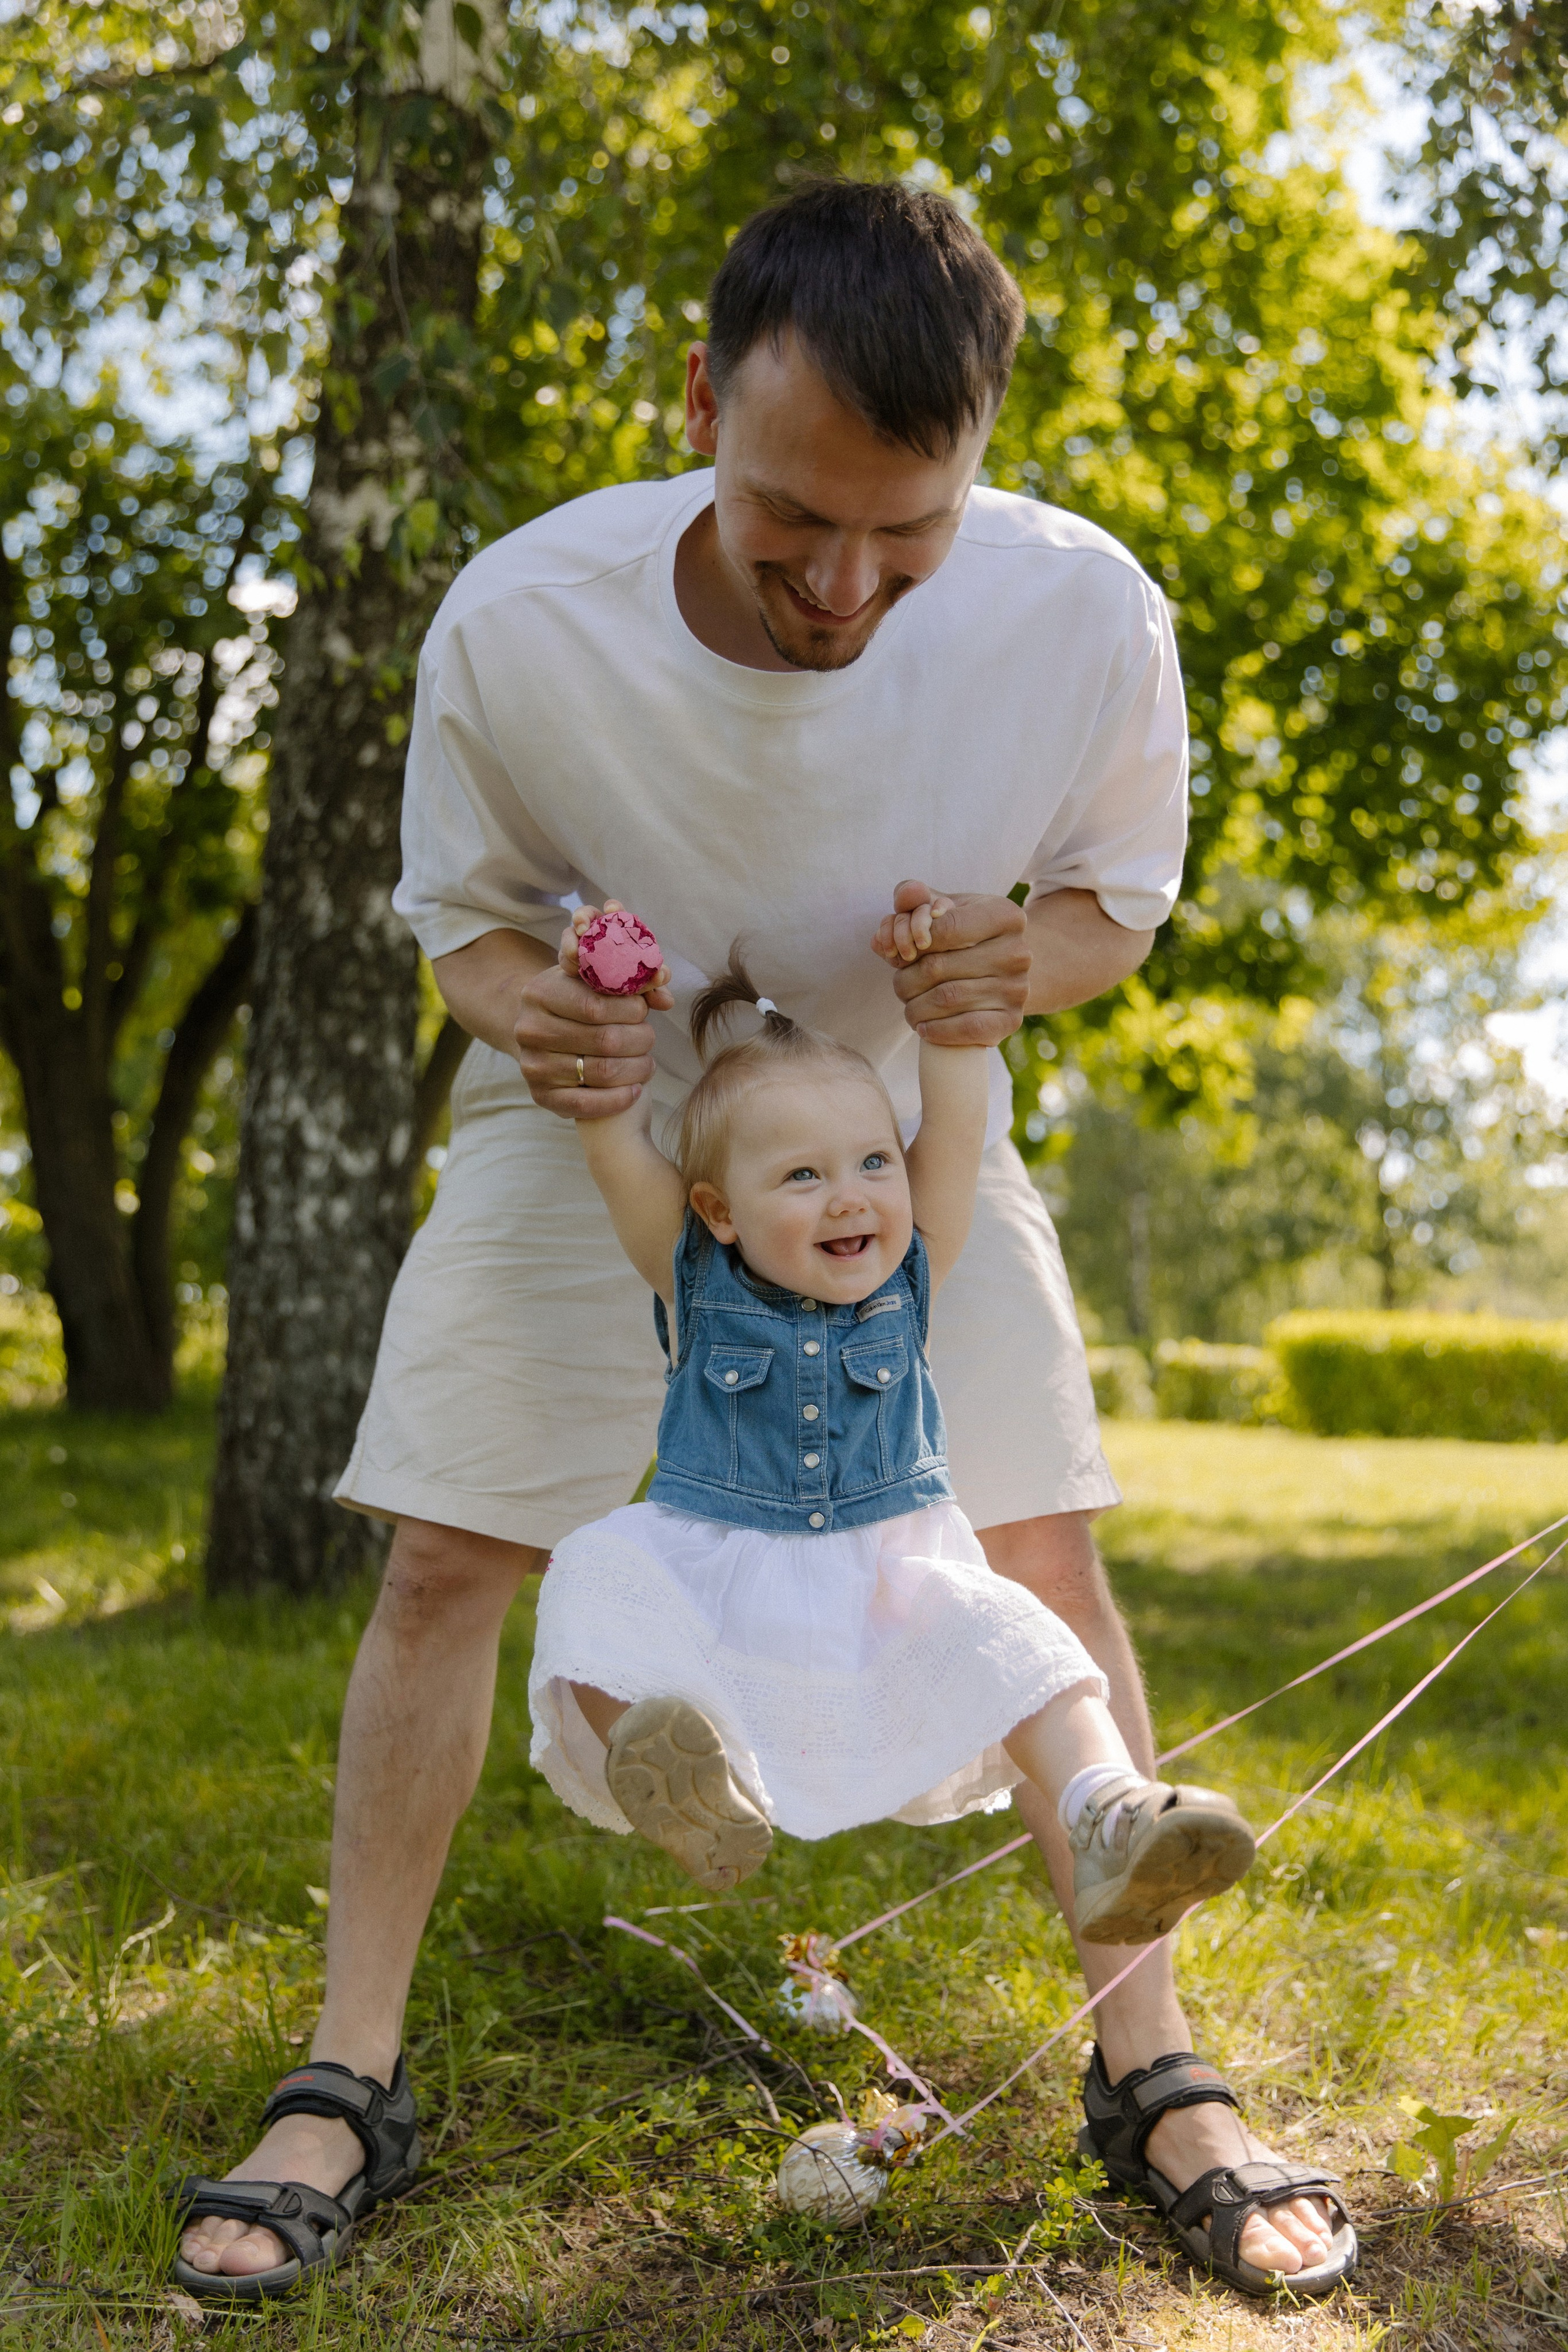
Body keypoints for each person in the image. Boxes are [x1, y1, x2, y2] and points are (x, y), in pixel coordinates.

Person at [175, 177, 1356, 2302]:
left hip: (889, 1133)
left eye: (905, 537)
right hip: (600, 1120)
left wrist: (1017, 964)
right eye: (792, 517)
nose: (841, 585)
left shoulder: (1082, 613)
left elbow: (1109, 904)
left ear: (980, 454)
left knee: (1044, 1552)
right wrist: (521, 1007)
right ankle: (347, 2074)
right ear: (706, 397)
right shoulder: (530, 621)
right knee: (448, 1555)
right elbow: (468, 924)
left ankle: (1155, 2068)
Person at [533, 900, 1260, 1957]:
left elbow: (954, 1124)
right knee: (592, 1583)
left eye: (873, 1162)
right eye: (802, 1176)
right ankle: (681, 1776)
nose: (851, 1199)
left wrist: (954, 1016)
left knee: (1032, 1654)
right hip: (714, 1565)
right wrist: (605, 1001)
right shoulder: (691, 1278)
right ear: (717, 1211)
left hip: (894, 1577)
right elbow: (612, 1140)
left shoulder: (915, 1270)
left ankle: (1111, 1811)